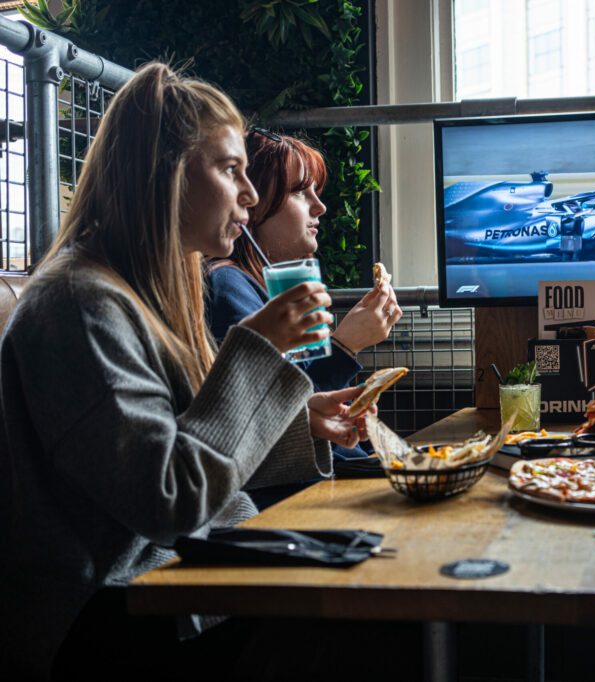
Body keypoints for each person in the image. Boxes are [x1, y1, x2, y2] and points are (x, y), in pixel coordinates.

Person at [0, 63, 370, 679]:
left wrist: (300, 422)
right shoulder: (81, 308)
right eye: (231, 169)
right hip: (101, 621)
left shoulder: (148, 293)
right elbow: (169, 499)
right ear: (166, 176)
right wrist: (254, 351)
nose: (251, 195)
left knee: (367, 582)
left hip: (167, 586)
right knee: (367, 625)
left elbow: (187, 440)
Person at [206, 129, 401, 467]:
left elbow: (308, 402)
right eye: (299, 192)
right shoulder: (228, 286)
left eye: (316, 192)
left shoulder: (276, 286)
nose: (320, 207)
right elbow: (276, 414)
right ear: (255, 202)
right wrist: (345, 346)